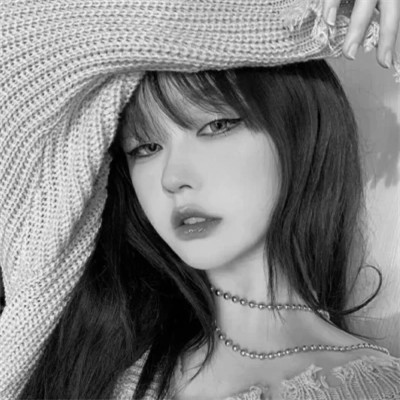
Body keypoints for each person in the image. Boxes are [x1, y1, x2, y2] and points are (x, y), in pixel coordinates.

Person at [0, 1, 399, 400]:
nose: (172, 178)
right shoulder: (97, 369)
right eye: (145, 148)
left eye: (216, 125)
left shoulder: (373, 387)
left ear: (299, 131)